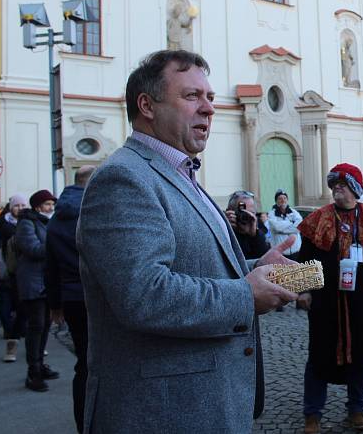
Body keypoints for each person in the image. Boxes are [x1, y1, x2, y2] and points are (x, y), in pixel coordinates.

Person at [77, 49, 298, 433]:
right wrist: (245, 295)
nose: (209, 109)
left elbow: (189, 264)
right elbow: (143, 295)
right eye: (192, 96)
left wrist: (254, 269)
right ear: (147, 105)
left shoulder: (180, 173)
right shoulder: (124, 179)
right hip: (161, 413)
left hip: (204, 404)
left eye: (210, 97)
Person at [295, 163, 363, 434]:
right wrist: (303, 290)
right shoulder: (317, 219)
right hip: (325, 303)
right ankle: (312, 414)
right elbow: (305, 258)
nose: (336, 190)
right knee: (318, 357)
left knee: (362, 356)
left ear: (354, 189)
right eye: (334, 186)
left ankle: (357, 408)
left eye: (342, 186)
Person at [46, 165, 95, 432]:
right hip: (95, 296)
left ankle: (82, 424)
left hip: (71, 298)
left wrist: (54, 304)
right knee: (101, 361)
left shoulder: (56, 217)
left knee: (83, 363)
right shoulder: (93, 209)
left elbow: (50, 264)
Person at [16, 189, 59, 392]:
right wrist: (56, 247)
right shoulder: (27, 223)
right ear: (37, 206)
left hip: (45, 282)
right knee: (36, 326)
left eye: (52, 204)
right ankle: (32, 371)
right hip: (32, 282)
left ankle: (40, 365)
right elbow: (32, 249)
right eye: (47, 204)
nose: (51, 207)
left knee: (44, 327)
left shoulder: (46, 222)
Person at [0, 194, 29, 361]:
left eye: (23, 205)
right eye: (17, 205)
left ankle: (19, 333)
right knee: (5, 301)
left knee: (23, 305)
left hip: (24, 273)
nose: (21, 208)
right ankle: (9, 332)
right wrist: (5, 257)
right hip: (4, 272)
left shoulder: (28, 224)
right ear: (11, 208)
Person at [226, 190, 271, 259]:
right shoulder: (223, 227)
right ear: (229, 211)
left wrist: (255, 235)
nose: (246, 216)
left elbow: (265, 258)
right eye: (242, 212)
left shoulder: (257, 225)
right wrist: (226, 228)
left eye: (251, 213)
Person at [268, 189, 303, 259]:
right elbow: (276, 227)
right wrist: (292, 224)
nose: (283, 200)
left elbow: (300, 226)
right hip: (280, 253)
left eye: (285, 198)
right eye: (280, 198)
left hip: (296, 252)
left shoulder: (294, 212)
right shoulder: (272, 214)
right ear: (276, 201)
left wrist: (282, 228)